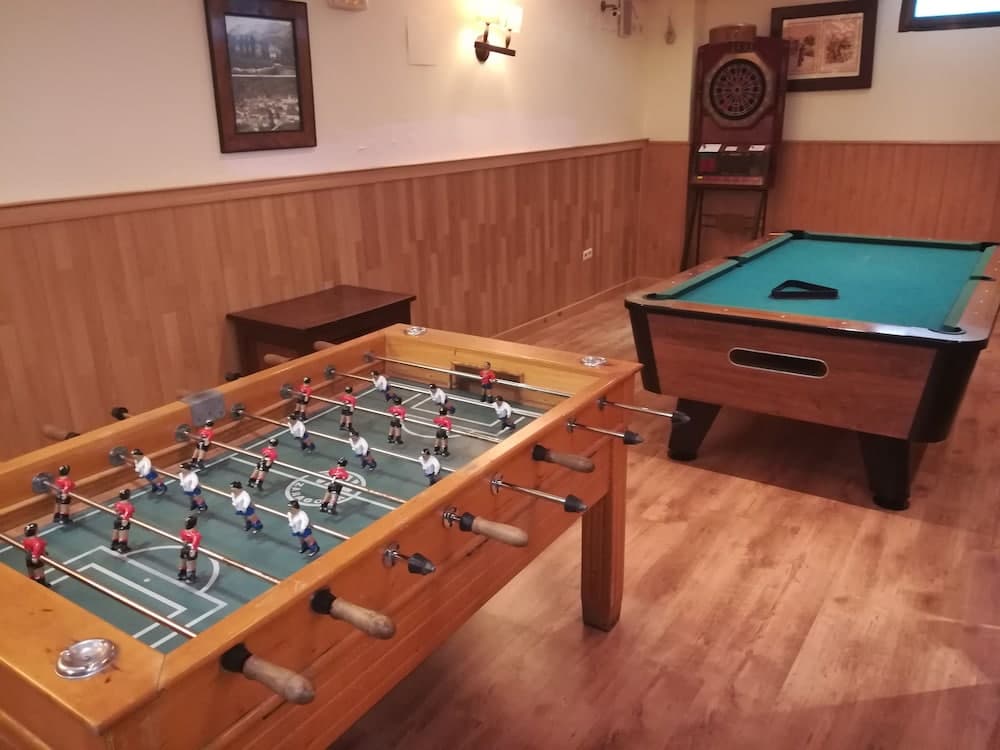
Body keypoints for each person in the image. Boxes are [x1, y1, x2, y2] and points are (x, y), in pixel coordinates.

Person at [178, 515, 202, 583]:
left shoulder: (183, 532)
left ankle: (182, 574)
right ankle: (190, 576)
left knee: (184, 561)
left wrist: (186, 543)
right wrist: (193, 550)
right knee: (191, 563)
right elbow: (195, 543)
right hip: (190, 550)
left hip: (184, 549)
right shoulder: (196, 534)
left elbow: (183, 539)